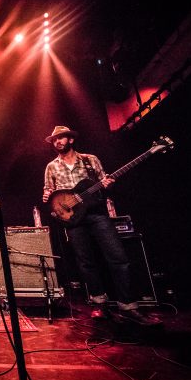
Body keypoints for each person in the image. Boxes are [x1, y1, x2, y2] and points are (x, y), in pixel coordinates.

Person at [42, 126, 160, 326]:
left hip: (97, 213)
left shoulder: (90, 159)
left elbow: (105, 181)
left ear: (70, 139)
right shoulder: (51, 167)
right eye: (54, 140)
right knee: (86, 262)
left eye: (60, 138)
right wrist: (48, 198)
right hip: (73, 219)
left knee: (118, 258)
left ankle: (128, 306)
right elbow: (49, 192)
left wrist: (108, 184)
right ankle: (99, 304)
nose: (57, 142)